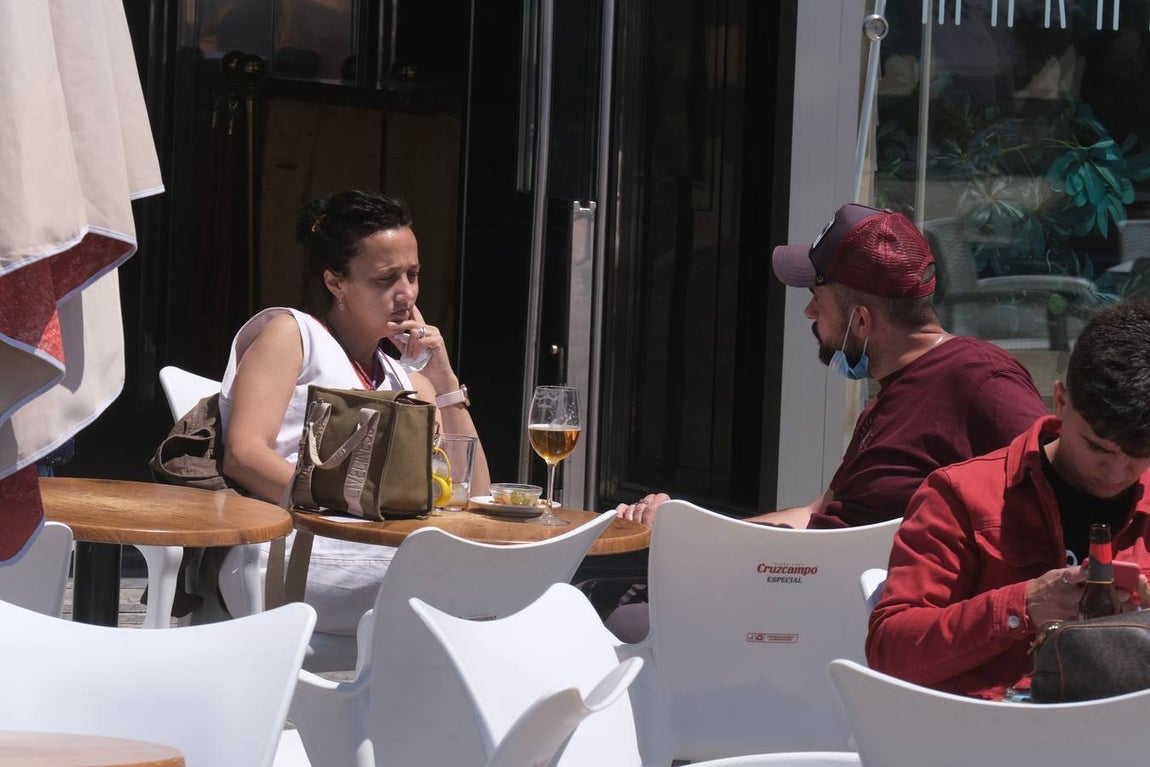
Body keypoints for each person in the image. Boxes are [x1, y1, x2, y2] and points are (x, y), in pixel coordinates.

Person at [595, 204, 1047, 642]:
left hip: (833, 630)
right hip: (799, 598)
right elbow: (817, 514)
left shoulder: (982, 380)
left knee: (613, 616)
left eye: (817, 298)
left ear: (861, 319)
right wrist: (687, 529)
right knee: (608, 583)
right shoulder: (896, 390)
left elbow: (1055, 487)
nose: (809, 313)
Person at [219, 189, 489, 634]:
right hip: (291, 551)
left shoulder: (408, 381)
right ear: (336, 282)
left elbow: (473, 491)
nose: (406, 294)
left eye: (413, 275)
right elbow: (244, 455)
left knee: (501, 577)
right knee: (483, 584)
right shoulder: (293, 335)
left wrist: (443, 380)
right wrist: (352, 508)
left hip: (378, 553)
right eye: (385, 279)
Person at [867, 300, 1150, 700]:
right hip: (992, 727)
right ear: (1060, 401)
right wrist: (1023, 605)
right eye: (1097, 447)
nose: (1115, 472)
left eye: (1139, 454)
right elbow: (890, 652)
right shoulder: (963, 495)